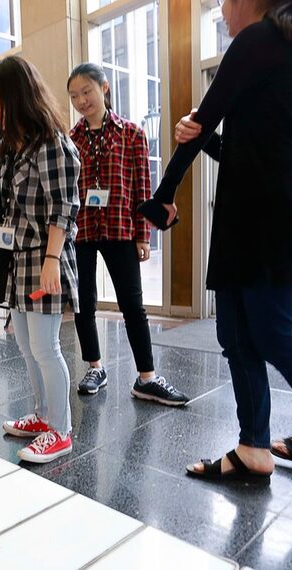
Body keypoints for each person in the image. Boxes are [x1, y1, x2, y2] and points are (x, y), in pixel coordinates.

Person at [141, 0, 292, 481]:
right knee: (237, 334)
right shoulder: (291, 50)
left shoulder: (259, 39)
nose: (221, 10)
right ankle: (253, 446)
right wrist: (195, 136)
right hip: (261, 215)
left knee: (272, 333)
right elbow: (240, 148)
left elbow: (200, 127)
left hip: (267, 219)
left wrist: (163, 197)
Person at [0, 56, 80, 464]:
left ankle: (60, 430)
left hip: (44, 257)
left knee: (46, 347)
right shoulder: (15, 147)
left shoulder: (52, 145)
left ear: (17, 96)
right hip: (18, 260)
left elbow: (65, 208)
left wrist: (51, 260)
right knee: (28, 346)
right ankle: (44, 416)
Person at [66, 63, 191, 405]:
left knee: (132, 305)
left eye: (86, 92)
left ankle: (146, 377)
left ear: (104, 88)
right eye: (75, 96)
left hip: (120, 226)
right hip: (82, 230)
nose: (81, 101)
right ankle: (95, 367)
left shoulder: (132, 133)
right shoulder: (71, 139)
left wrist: (142, 237)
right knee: (84, 304)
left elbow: (141, 188)